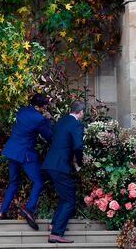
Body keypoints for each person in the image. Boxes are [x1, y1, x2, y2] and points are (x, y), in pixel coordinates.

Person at [0, 93, 52, 230]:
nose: (45, 107)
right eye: (43, 105)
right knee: (39, 182)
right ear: (36, 106)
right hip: (25, 153)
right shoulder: (39, 119)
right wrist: (48, 120)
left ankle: (2, 212)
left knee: (14, 182)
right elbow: (49, 135)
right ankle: (29, 209)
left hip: (12, 150)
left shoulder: (22, 110)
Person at [41, 100, 85, 243]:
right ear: (81, 112)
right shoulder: (76, 123)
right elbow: (78, 146)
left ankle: (54, 224)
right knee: (70, 200)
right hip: (60, 166)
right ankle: (55, 233)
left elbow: (51, 137)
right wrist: (79, 162)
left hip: (49, 164)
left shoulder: (61, 121)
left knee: (64, 197)